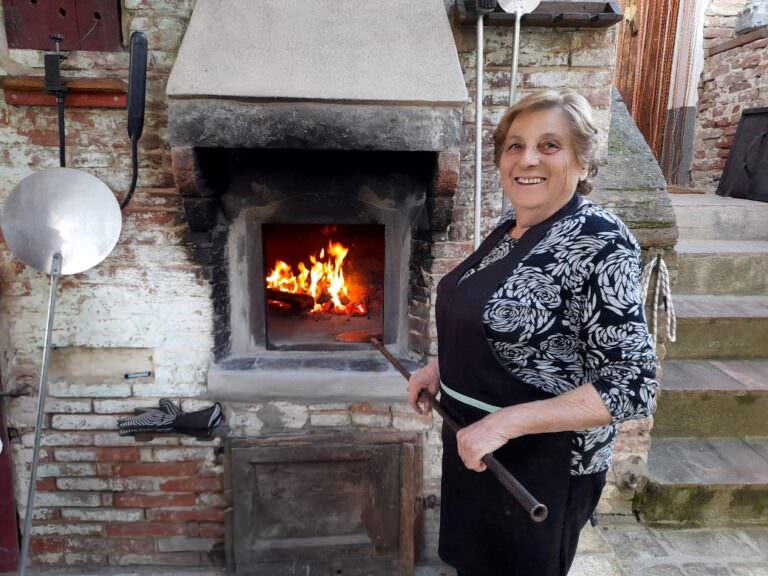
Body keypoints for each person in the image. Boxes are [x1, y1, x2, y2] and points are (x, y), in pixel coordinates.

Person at [407, 89, 658, 576]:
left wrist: (504, 424)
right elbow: (494, 323)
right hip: (473, 444)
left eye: (549, 145)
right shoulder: (510, 227)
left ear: (582, 163)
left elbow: (632, 384)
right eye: (514, 145)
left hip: (542, 466)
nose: (527, 159)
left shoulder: (601, 242)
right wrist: (440, 369)